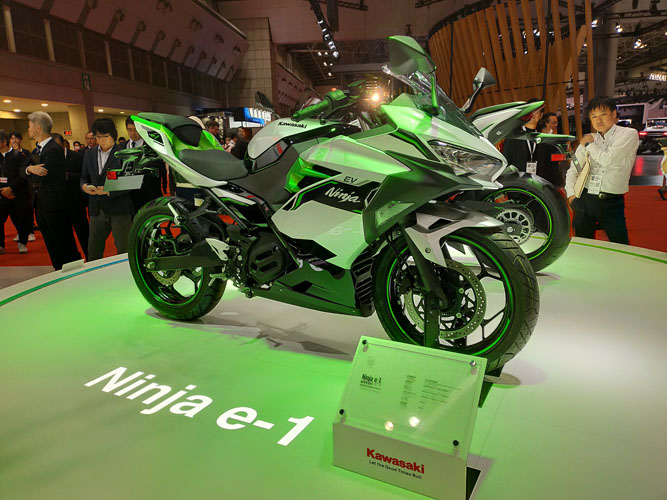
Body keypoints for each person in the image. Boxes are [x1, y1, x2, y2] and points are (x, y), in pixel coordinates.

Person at [565, 96, 639, 245]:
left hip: (611, 202)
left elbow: (607, 159)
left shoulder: (628, 134)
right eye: (593, 116)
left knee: (620, 247)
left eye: (603, 114)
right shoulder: (589, 139)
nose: (598, 120)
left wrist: (589, 145)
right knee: (583, 245)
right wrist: (571, 196)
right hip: (585, 200)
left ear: (614, 114)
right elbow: (574, 169)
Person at [20, 112, 81, 269]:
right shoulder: (36, 150)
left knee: (64, 245)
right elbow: (21, 170)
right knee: (52, 245)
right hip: (41, 205)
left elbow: (42, 175)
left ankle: (74, 274)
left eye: (29, 126)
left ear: (38, 127)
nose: (28, 129)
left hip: (55, 206)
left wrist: (31, 172)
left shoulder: (54, 149)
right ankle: (58, 271)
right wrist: (30, 169)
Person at [80, 118, 134, 261]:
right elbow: (84, 177)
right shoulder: (89, 154)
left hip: (119, 208)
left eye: (105, 136)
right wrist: (84, 186)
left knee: (124, 249)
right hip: (96, 208)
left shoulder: (124, 153)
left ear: (113, 135)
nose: (101, 140)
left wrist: (108, 190)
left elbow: (131, 181)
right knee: (93, 250)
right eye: (97, 137)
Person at [52, 133, 89, 259]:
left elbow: (84, 175)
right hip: (59, 204)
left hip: (76, 201)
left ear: (64, 144)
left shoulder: (76, 156)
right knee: (65, 236)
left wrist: (69, 176)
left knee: (83, 232)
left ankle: (90, 257)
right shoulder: (50, 158)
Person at [0, 130, 31, 254]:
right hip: (2, 194)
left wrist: (11, 188)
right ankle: (1, 244)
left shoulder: (17, 155)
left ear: (3, 142)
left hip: (18, 193)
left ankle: (22, 242)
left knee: (21, 219)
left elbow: (23, 174)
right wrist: (3, 191)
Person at [125, 116, 165, 212]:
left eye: (135, 130)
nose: (132, 133)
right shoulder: (122, 147)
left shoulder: (152, 146)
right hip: (129, 195)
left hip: (149, 192)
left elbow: (160, 169)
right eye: (129, 130)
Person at [502, 98, 543, 174]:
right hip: (517, 178)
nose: (533, 115)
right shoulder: (513, 136)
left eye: (537, 112)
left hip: (537, 178)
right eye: (531, 111)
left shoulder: (542, 137)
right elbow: (506, 160)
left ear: (541, 115)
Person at [533, 117, 563, 187]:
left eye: (557, 123)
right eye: (553, 123)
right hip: (542, 175)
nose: (556, 125)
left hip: (554, 174)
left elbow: (560, 156)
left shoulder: (556, 137)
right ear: (546, 124)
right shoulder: (538, 139)